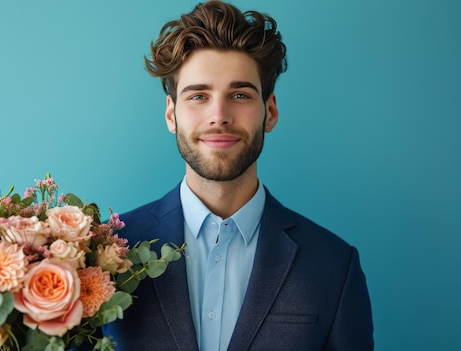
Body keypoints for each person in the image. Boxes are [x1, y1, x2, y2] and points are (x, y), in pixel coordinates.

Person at [92, 1, 374, 350]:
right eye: (198, 96)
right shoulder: (103, 252)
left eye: (239, 95)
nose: (219, 115)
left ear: (269, 112)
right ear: (171, 114)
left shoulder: (335, 266)